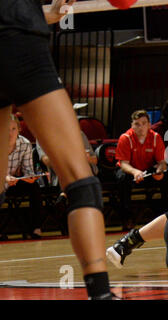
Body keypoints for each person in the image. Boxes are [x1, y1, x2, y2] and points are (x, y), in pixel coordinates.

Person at [0, 0, 113, 299]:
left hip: (19, 21)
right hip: (18, 35)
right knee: (80, 181)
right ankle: (100, 294)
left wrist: (45, 13)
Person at [115, 109, 168, 230]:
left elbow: (162, 162)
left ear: (149, 125)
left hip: (148, 172)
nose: (141, 127)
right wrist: (135, 172)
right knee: (122, 177)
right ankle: (127, 218)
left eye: (144, 123)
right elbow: (123, 164)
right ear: (132, 125)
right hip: (131, 172)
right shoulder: (125, 138)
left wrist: (160, 170)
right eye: (137, 124)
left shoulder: (155, 137)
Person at [3, 113, 44, 240]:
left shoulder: (25, 143)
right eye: (6, 129)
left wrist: (29, 177)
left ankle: (35, 228)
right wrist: (5, 178)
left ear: (19, 129)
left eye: (13, 129)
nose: (10, 133)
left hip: (15, 181)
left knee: (34, 186)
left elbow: (28, 169)